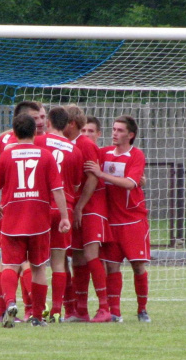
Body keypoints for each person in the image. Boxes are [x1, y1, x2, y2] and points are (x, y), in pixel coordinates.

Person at [0, 113, 71, 328]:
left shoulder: (6, 155)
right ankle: (36, 316)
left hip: (12, 220)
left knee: (9, 264)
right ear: (35, 131)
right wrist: (64, 216)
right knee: (38, 268)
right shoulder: (45, 156)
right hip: (39, 221)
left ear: (14, 133)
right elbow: (57, 189)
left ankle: (10, 303)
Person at [84, 115, 151, 323]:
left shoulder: (136, 155)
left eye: (120, 130)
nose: (115, 133)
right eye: (113, 129)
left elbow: (130, 183)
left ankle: (142, 310)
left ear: (130, 135)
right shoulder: (104, 153)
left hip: (133, 221)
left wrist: (101, 174)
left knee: (138, 266)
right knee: (112, 267)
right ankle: (115, 312)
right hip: (111, 221)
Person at [0, 101, 47, 322]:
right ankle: (31, 311)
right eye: (36, 118)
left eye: (43, 117)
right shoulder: (40, 145)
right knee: (28, 264)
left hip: (7, 209)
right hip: (29, 209)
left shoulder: (5, 140)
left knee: (6, 262)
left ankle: (1, 311)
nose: (41, 122)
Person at [63, 106, 113, 323]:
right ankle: (80, 310)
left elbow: (93, 178)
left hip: (91, 207)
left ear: (71, 123)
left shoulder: (85, 144)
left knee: (92, 253)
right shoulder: (67, 144)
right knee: (78, 257)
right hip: (76, 207)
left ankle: (105, 308)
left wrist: (80, 206)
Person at [34, 106, 83, 323]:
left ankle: (34, 309)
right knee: (58, 262)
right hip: (65, 209)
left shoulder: (38, 142)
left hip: (41, 207)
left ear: (49, 123)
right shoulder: (75, 151)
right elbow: (75, 183)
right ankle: (56, 310)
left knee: (36, 263)